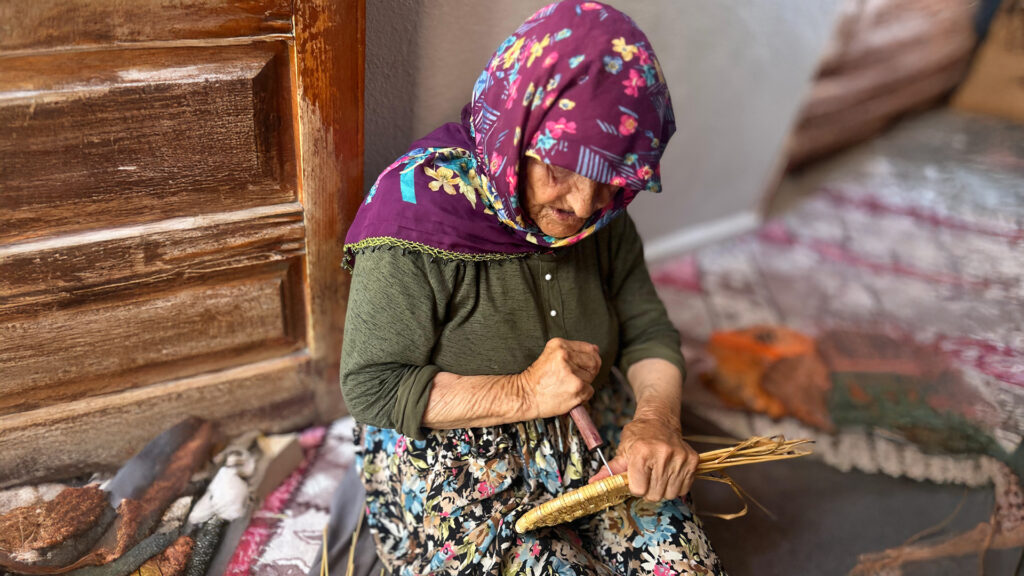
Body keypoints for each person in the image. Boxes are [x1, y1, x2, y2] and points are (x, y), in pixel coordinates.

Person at [340, 2, 726, 574]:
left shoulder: (602, 213)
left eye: (609, 177)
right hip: (461, 453)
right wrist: (523, 393)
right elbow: (372, 386)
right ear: (515, 127)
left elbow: (647, 331)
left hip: (600, 433)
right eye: (560, 169)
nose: (584, 206)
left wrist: (656, 421)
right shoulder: (413, 212)